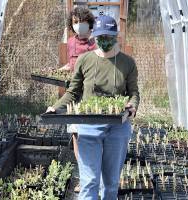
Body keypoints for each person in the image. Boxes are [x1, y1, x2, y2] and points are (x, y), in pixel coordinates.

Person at [47, 15, 140, 200]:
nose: (104, 40)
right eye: (100, 37)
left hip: (117, 127)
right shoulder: (85, 60)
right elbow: (73, 92)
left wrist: (132, 105)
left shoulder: (127, 63)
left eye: (108, 36)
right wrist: (55, 108)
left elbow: (134, 93)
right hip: (88, 127)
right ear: (94, 37)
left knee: (111, 182)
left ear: (116, 36)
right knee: (89, 182)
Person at [59, 7, 96, 193]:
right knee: (76, 137)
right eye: (74, 22)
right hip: (75, 97)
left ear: (89, 23)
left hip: (92, 98)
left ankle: (95, 179)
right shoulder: (71, 42)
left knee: (91, 138)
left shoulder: (96, 43)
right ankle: (85, 178)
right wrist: (63, 69)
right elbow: (73, 64)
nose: (77, 25)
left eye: (80, 21)